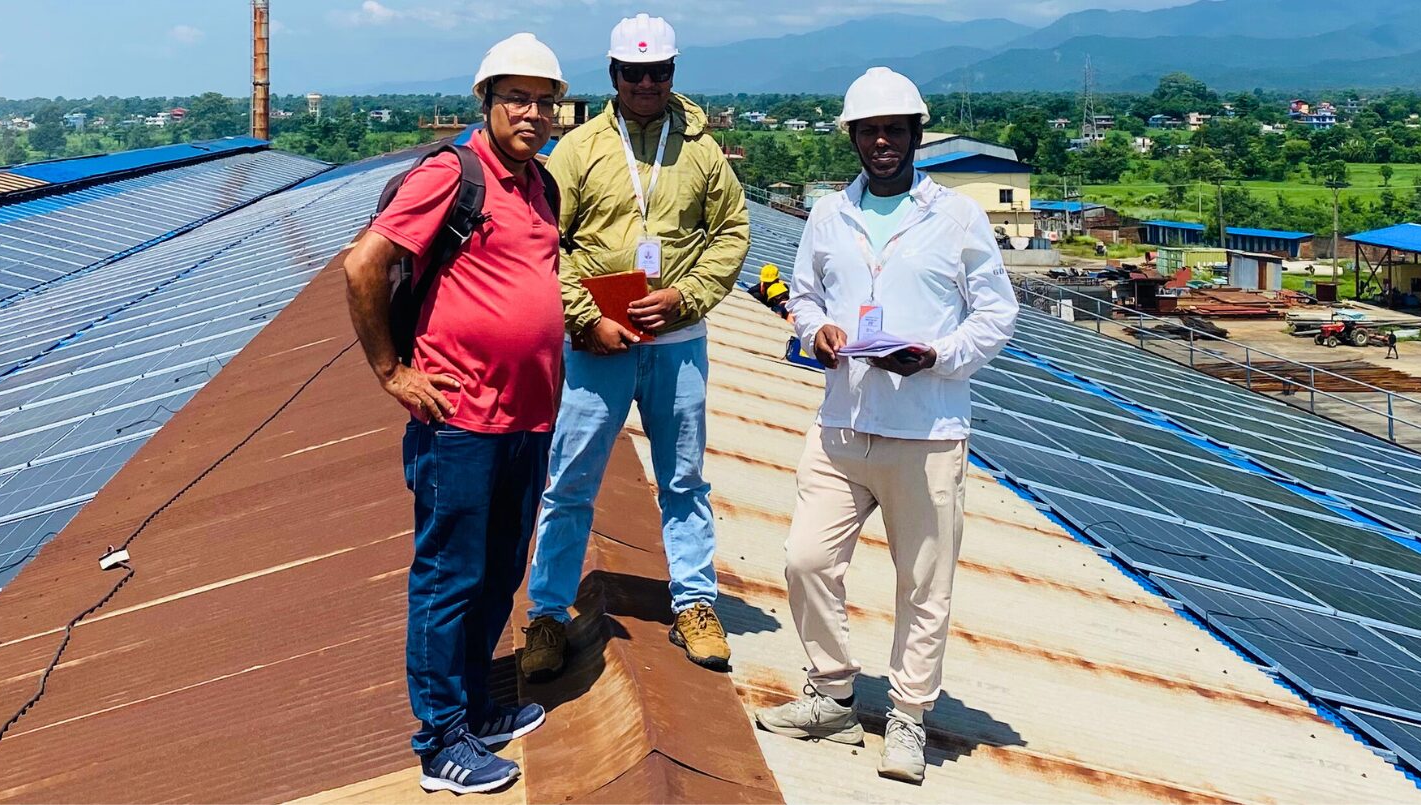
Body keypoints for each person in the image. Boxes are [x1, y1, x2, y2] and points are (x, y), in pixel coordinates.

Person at [752, 67, 1019, 785]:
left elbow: (997, 312)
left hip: (927, 428)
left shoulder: (958, 218)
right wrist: (821, 331)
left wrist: (940, 355)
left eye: (894, 130)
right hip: (842, 420)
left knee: (922, 585)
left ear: (915, 136)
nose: (881, 142)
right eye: (868, 131)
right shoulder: (828, 214)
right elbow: (804, 298)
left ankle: (907, 716)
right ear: (852, 138)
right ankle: (833, 691)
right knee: (806, 559)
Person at [340, 33, 567, 796]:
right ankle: (441, 742)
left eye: (545, 100)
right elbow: (363, 263)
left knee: (500, 572)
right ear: (487, 101)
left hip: (527, 422)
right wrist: (391, 369)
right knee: (449, 577)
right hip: (463, 422)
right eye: (517, 98)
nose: (533, 112)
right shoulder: (453, 174)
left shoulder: (541, 185)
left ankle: (474, 707)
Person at [517, 12, 751, 682]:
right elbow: (545, 242)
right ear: (614, 76)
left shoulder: (702, 149)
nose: (647, 83)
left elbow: (732, 232)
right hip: (599, 347)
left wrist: (687, 295)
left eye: (659, 72)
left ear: (673, 72)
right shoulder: (580, 150)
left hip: (677, 343)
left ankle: (696, 603)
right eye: (634, 73)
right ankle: (548, 613)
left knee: (683, 479)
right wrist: (587, 318)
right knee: (570, 481)